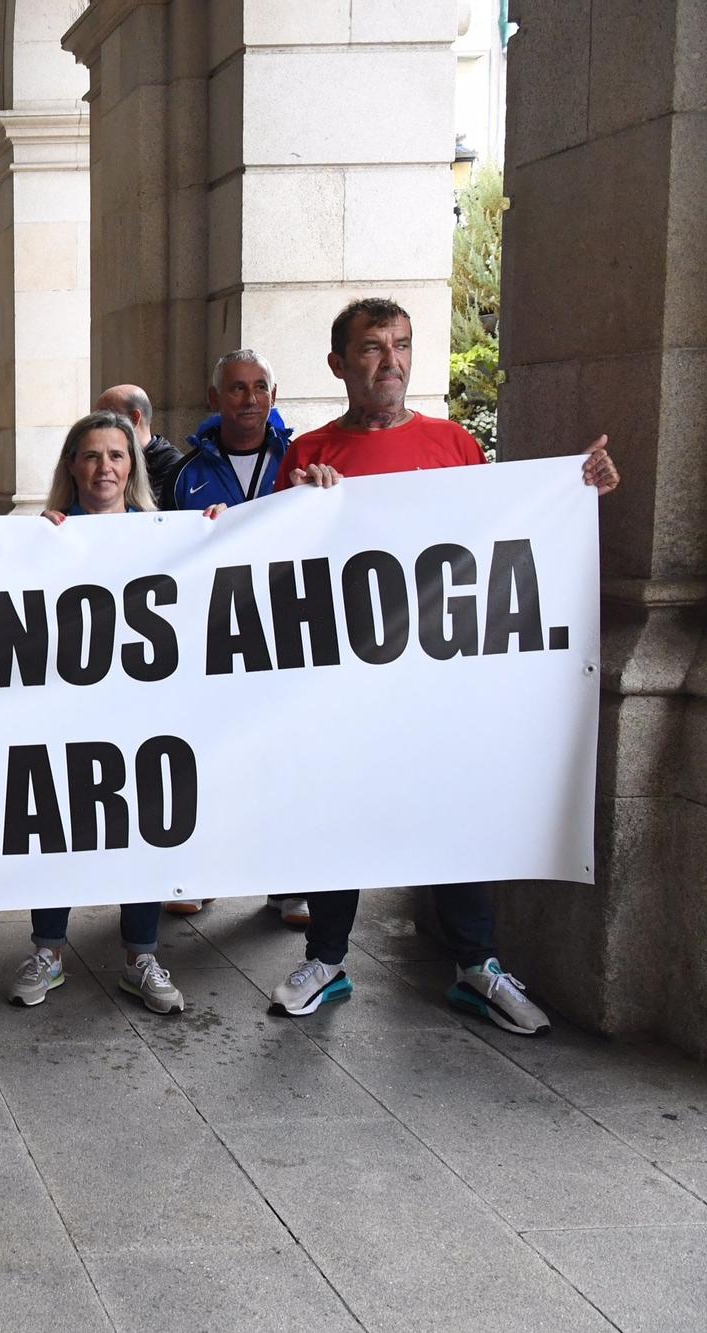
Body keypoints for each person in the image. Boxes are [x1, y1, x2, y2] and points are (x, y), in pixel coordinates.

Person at [268, 296, 621, 1035]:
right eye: (371, 347)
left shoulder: (454, 444)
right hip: (344, 683)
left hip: (437, 682)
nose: (390, 360)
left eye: (400, 344)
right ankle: (325, 957)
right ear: (339, 364)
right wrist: (297, 509)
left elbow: (501, 537)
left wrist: (576, 488)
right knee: (338, 810)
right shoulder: (307, 453)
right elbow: (271, 572)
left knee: (454, 808)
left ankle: (476, 962)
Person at [8, 410, 188, 1016]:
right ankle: (49, 951)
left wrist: (220, 534)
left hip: (140, 708)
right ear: (71, 467)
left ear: (132, 465)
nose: (104, 467)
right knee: (58, 822)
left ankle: (140, 955)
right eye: (90, 456)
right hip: (67, 709)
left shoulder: (165, 532)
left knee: (139, 824)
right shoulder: (47, 535)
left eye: (116, 455)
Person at [158, 351, 308, 928]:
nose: (249, 399)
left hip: (287, 634)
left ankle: (289, 882)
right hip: (209, 640)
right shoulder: (184, 471)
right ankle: (203, 871)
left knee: (282, 757)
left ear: (274, 394)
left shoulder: (300, 459)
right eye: (237, 389)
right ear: (215, 397)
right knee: (211, 759)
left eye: (259, 388)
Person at [94, 383, 188, 508]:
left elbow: (151, 514)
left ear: (134, 418)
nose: (96, 427)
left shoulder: (174, 465)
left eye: (106, 417)